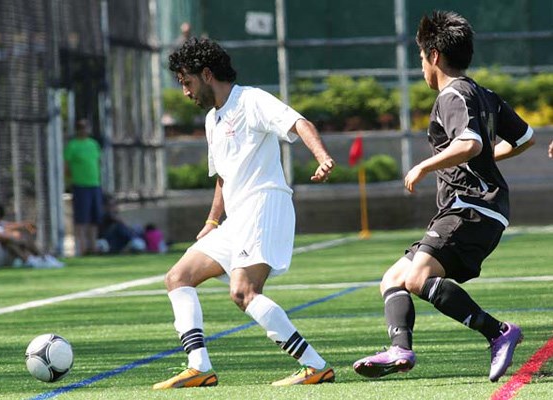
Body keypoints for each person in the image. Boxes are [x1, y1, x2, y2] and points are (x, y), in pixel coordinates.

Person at [352, 11, 535, 383]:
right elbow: (525, 138)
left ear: (434, 55)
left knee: (418, 277)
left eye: (420, 57)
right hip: (482, 208)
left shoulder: (451, 95)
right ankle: (399, 348)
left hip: (471, 206)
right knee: (394, 278)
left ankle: (498, 332)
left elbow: (469, 142)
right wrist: (485, 156)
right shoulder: (484, 94)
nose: (421, 65)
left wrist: (424, 166)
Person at [153, 37, 336, 390]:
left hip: (265, 205)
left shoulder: (250, 99)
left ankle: (314, 365)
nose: (186, 92)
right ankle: (199, 367)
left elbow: (299, 123)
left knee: (243, 292)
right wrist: (211, 222)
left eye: (187, 82)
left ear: (207, 74)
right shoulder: (212, 120)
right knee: (178, 277)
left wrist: (322, 157)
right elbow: (223, 176)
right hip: (236, 218)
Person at [0, 203, 63, 270]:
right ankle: (33, 260)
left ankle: (42, 258)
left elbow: (10, 225)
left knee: (19, 236)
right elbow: (2, 235)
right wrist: (20, 240)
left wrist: (25, 225)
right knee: (6, 240)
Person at [64, 119, 103, 256]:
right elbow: (66, 167)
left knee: (94, 219)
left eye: (86, 127)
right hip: (80, 186)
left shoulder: (93, 144)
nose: (84, 130)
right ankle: (81, 248)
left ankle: (93, 246)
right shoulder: (73, 145)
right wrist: (71, 181)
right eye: (81, 128)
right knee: (81, 219)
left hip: (95, 185)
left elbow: (98, 162)